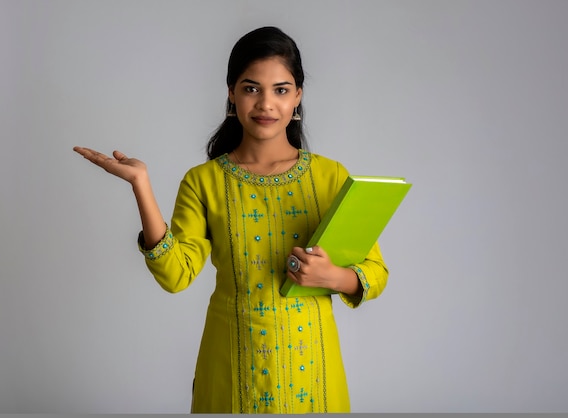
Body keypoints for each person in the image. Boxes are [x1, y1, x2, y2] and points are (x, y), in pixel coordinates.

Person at [73, 26, 389, 414]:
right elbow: (175, 274)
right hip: (232, 367)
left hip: (313, 372)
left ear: (298, 97)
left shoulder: (331, 177)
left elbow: (374, 271)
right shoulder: (204, 181)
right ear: (231, 93)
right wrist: (141, 184)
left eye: (281, 89)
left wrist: (332, 278)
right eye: (251, 88)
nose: (266, 104)